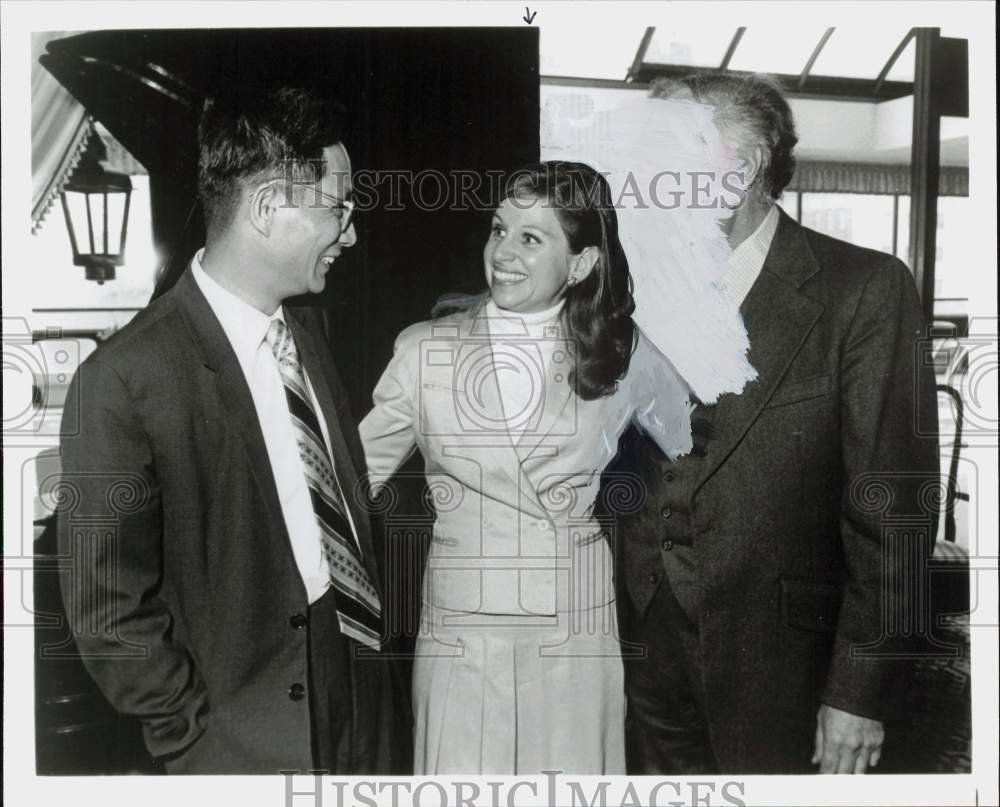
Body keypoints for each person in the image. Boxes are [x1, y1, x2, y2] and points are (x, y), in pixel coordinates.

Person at [57, 86, 400, 774]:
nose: (352, 232)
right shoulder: (124, 379)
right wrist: (194, 737)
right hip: (240, 742)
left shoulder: (310, 334)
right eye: (338, 208)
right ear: (270, 208)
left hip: (362, 698)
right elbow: (106, 611)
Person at [608, 72, 940, 774]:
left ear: (744, 165)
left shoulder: (865, 290)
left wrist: (861, 692)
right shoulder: (638, 287)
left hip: (785, 670)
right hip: (645, 657)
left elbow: (897, 514)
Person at [359, 161, 693, 775]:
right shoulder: (423, 350)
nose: (502, 253)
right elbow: (348, 490)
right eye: (497, 229)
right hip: (463, 629)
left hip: (576, 626)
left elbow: (697, 458)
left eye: (530, 238)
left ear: (582, 263)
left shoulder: (625, 352)